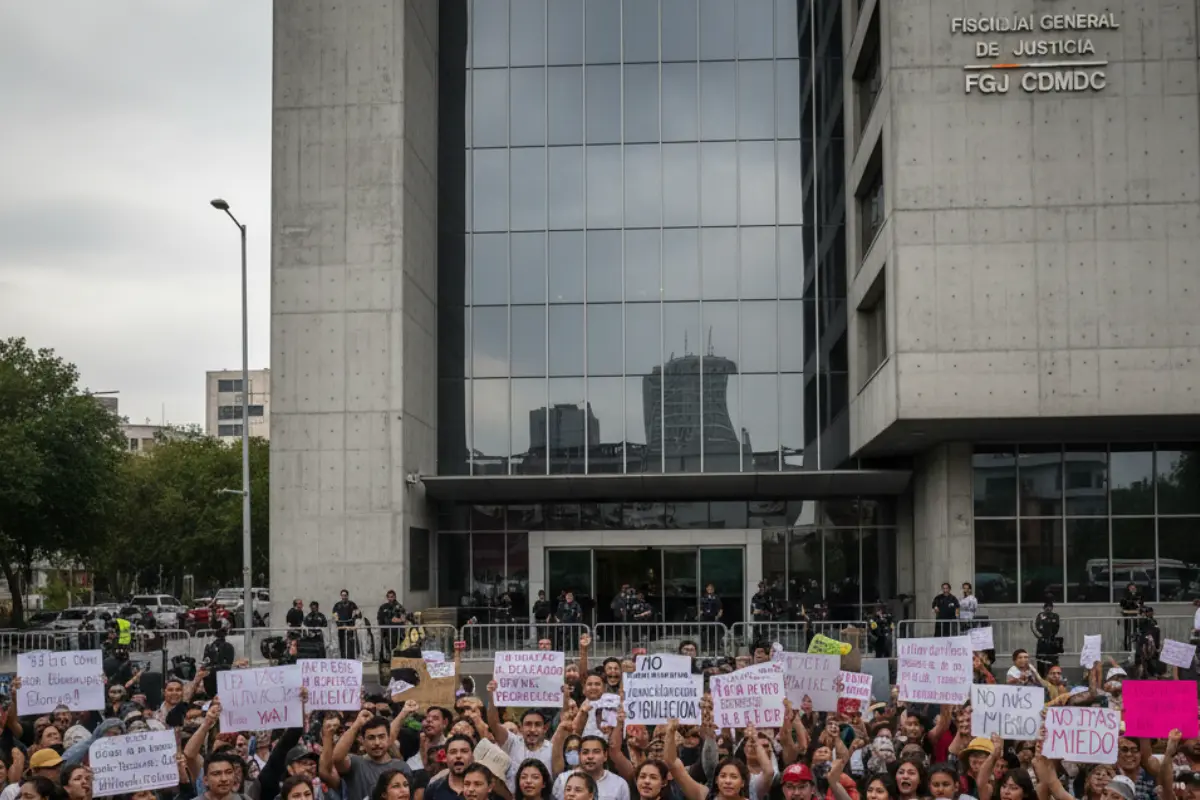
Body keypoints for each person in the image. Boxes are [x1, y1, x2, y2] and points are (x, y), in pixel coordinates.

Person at [331, 710, 412, 800]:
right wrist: (356, 725)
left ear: (389, 739)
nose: (377, 743)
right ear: (362, 741)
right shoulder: (355, 763)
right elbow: (336, 758)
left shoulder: (402, 767)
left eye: (381, 737)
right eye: (371, 738)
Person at [1033, 600, 1062, 676]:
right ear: (1044, 608)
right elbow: (1035, 627)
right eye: (1046, 607)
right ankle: (1041, 677)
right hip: (1042, 641)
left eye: (1050, 607)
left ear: (1052, 608)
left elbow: (1056, 628)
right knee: (1041, 661)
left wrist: (1051, 636)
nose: (1048, 608)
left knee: (1053, 661)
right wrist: (1041, 636)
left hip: (1052, 641)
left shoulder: (1055, 616)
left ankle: (1054, 677)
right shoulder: (1040, 616)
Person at [378, 590, 406, 662]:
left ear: (395, 597)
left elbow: (403, 619)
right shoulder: (383, 607)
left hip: (397, 632)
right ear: (387, 598)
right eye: (389, 597)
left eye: (392, 597)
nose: (390, 599)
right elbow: (379, 619)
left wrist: (397, 620)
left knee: (397, 649)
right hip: (386, 632)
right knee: (387, 648)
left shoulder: (399, 607)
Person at [332, 590, 360, 660]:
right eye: (342, 595)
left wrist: (356, 615)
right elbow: (335, 615)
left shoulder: (352, 604)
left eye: (345, 595)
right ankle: (343, 658)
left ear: (347, 596)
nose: (344, 597)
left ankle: (352, 659)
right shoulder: (337, 605)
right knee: (342, 644)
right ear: (341, 596)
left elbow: (358, 613)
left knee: (351, 644)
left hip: (350, 627)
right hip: (341, 627)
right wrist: (338, 622)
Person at [1120, 582, 1143, 651]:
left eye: (1134, 588)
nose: (1133, 589)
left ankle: (1136, 648)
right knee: (1128, 632)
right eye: (1131, 588)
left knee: (1136, 631)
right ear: (1129, 589)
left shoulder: (1139, 596)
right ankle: (1128, 648)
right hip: (1128, 616)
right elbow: (1123, 605)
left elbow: (1141, 604)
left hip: (1136, 616)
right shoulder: (1126, 596)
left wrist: (1138, 605)